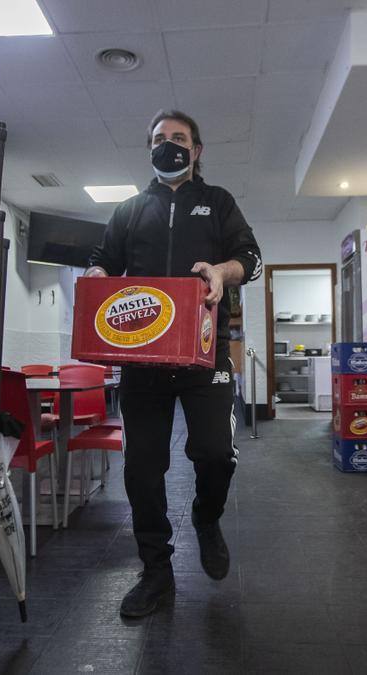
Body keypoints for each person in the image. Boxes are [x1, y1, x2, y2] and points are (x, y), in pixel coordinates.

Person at [86, 109, 263, 618]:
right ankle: (156, 572)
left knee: (214, 453)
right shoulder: (130, 209)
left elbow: (251, 259)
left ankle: (206, 519)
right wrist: (98, 273)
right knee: (143, 468)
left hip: (206, 355)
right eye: (160, 139)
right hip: (141, 360)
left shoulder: (217, 202)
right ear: (149, 150)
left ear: (197, 150)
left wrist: (222, 271)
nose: (170, 145)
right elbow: (102, 259)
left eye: (179, 138)